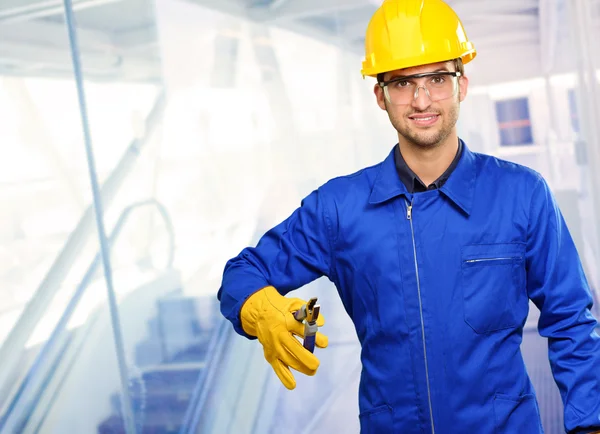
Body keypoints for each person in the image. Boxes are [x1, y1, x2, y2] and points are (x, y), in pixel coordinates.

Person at [217, 0, 600, 432]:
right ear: (380, 95)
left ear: (462, 84)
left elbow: (570, 318)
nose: (421, 99)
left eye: (437, 77)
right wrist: (257, 307)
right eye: (402, 83)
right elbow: (242, 272)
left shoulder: (522, 195)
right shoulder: (340, 208)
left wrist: (590, 424)